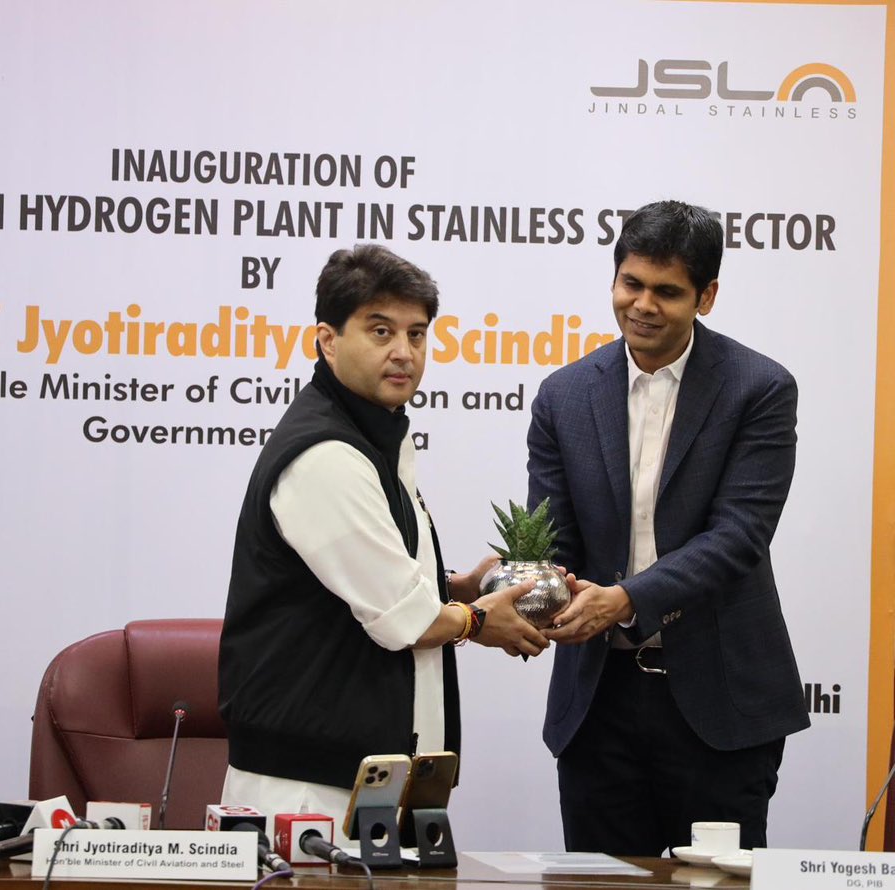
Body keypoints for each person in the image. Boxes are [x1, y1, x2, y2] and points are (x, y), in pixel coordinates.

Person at [219, 244, 550, 832]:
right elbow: (405, 620)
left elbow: (371, 581)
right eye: (380, 331)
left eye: (417, 334)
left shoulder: (375, 435)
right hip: (310, 793)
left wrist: (458, 587)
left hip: (366, 776)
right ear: (327, 340)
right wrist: (478, 619)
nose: (404, 352)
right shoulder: (325, 454)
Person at [527, 200, 809, 856]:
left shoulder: (760, 389)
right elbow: (553, 539)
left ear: (705, 297)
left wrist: (625, 599)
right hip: (598, 704)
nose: (643, 305)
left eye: (668, 291)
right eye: (631, 283)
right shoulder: (563, 396)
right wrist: (533, 591)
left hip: (720, 704)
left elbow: (739, 535)